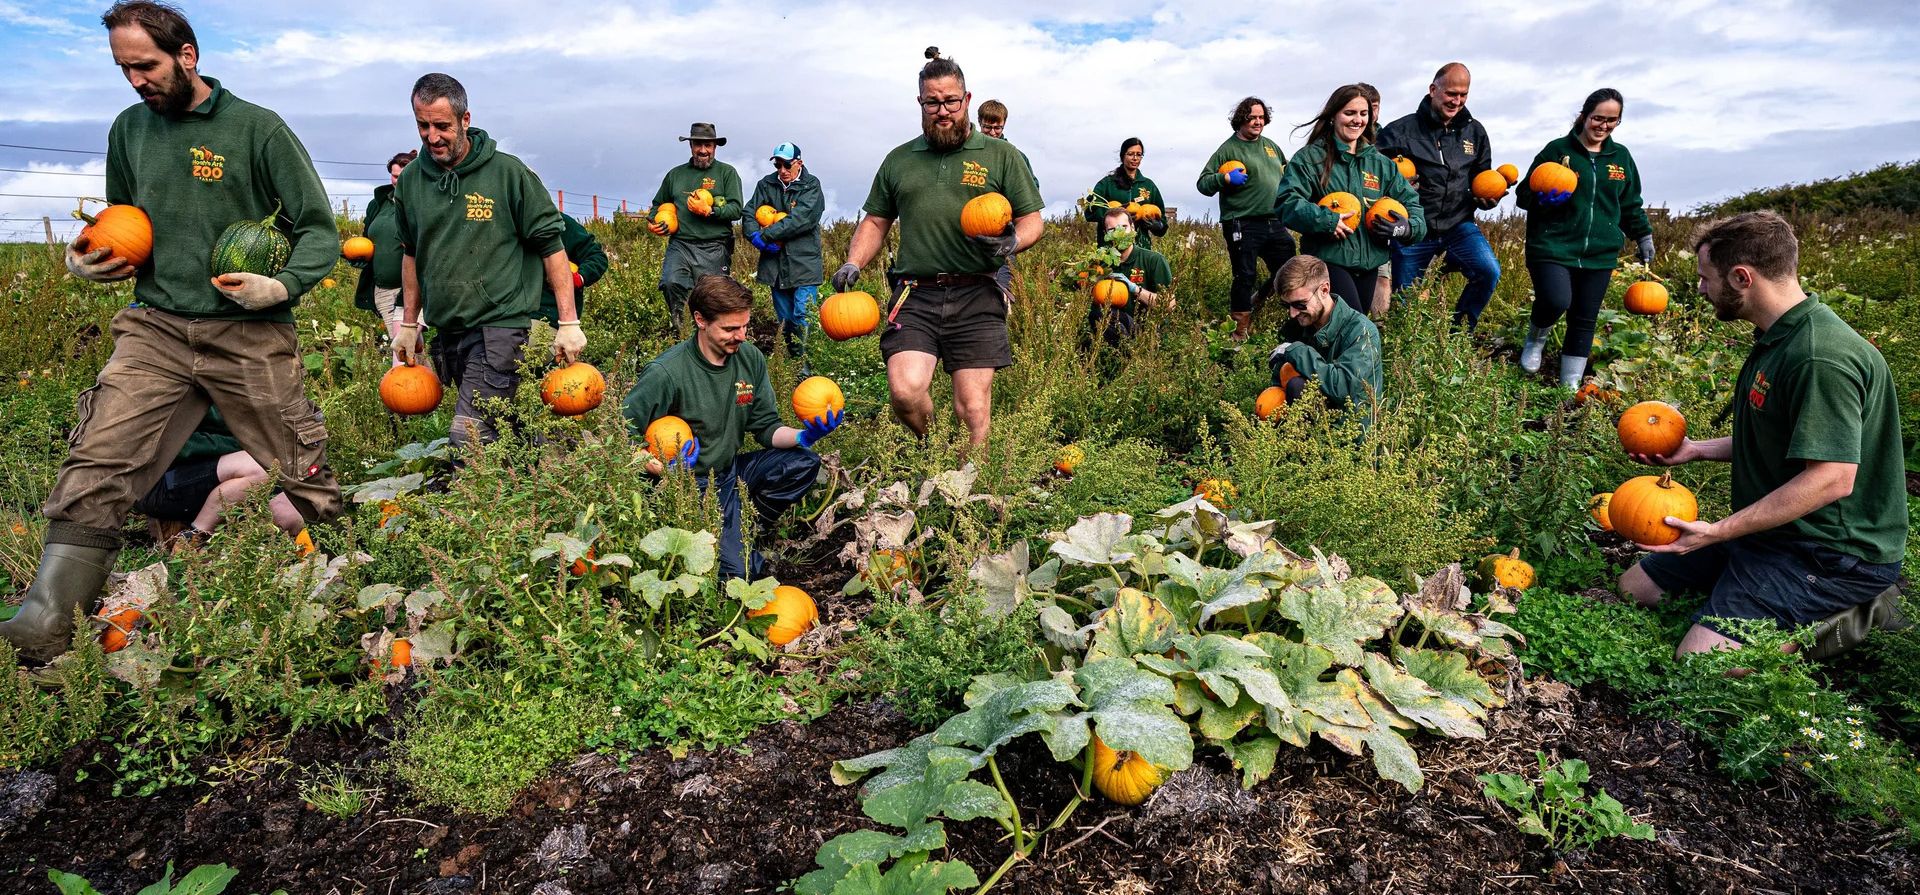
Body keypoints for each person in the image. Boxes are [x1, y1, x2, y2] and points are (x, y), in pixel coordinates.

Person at [3, 1, 343, 662]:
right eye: (124, 69)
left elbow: (317, 231)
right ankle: (45, 622)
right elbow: (125, 225)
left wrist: (280, 285)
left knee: (300, 458)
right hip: (155, 326)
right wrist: (90, 257)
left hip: (246, 330)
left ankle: (350, 577)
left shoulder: (257, 130)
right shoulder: (129, 131)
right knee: (100, 454)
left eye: (146, 66)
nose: (136, 81)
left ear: (187, 55)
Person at [1617, 212, 1907, 660]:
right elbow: (1782, 439)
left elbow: (1832, 477)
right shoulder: (1778, 335)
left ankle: (1864, 612)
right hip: (1774, 531)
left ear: (1741, 277)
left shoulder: (1819, 358)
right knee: (1634, 590)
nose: (1700, 289)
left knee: (1698, 663)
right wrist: (1694, 451)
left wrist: (1718, 532)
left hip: (1829, 553)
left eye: (1705, 278)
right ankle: (1746, 589)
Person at [830, 48, 1044, 449]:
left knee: (973, 408)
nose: (942, 110)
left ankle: (970, 490)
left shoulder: (1001, 156)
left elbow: (1033, 219)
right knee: (906, 392)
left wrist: (1014, 240)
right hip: (916, 293)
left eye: (950, 101)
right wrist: (852, 262)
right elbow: (876, 220)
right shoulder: (899, 160)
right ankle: (936, 450)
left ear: (966, 100)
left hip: (977, 290)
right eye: (933, 102)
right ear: (920, 103)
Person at [391, 73, 581, 451]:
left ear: (465, 120)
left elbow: (552, 248)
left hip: (501, 328)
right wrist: (410, 324)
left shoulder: (508, 174)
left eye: (442, 126)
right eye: (422, 125)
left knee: (469, 437)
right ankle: (540, 487)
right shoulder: (412, 180)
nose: (432, 136)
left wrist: (569, 322)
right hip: (449, 331)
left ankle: (472, 506)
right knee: (508, 432)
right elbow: (411, 253)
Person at [621, 276, 841, 579]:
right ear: (700, 320)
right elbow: (619, 438)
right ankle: (728, 537)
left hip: (729, 473)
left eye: (745, 326)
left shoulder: (749, 358)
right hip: (687, 485)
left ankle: (745, 526)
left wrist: (803, 435)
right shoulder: (666, 373)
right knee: (739, 576)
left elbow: (765, 427)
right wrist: (665, 471)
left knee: (803, 462)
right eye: (729, 329)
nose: (740, 335)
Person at [1515, 88, 1654, 388]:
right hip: (1553, 245)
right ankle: (1536, 338)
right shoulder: (1557, 150)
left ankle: (1568, 386)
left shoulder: (1621, 158)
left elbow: (1630, 203)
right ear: (1584, 116)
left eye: (1612, 120)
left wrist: (1643, 235)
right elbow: (1523, 194)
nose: (1603, 126)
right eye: (1598, 118)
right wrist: (1542, 199)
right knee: (1556, 299)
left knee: (1584, 317)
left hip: (1599, 253)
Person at [1276, 84, 1425, 315]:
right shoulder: (1311, 159)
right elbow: (1287, 202)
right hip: (1328, 261)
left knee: (1346, 330)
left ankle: (1294, 346)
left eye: (1363, 114)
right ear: (1333, 116)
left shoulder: (1381, 164)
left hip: (1369, 264)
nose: (1357, 120)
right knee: (1352, 326)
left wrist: (1406, 228)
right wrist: (1326, 220)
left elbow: (1413, 205)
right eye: (1350, 113)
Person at [1379, 63, 1503, 329]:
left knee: (1488, 271)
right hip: (1414, 228)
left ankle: (1459, 333)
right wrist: (1397, 188)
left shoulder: (1475, 132)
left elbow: (1483, 178)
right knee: (1405, 305)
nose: (1456, 101)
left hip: (1458, 224)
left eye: (1463, 94)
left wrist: (1488, 198)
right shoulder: (1400, 130)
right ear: (1433, 90)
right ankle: (1406, 351)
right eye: (1451, 93)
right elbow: (1372, 176)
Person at [1197, 96, 1295, 341]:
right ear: (1241, 119)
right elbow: (1203, 183)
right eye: (1252, 117)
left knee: (1288, 270)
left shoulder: (1271, 146)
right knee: (1245, 274)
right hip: (1242, 221)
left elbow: (1287, 170)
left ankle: (1260, 302)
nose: (1257, 122)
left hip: (1274, 220)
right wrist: (1225, 179)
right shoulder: (1228, 149)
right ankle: (1239, 331)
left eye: (1261, 117)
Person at [133, 407, 306, 545]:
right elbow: (177, 447)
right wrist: (253, 449)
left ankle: (231, 553)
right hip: (159, 480)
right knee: (260, 468)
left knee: (292, 514)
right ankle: (193, 539)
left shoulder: (247, 379)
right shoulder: (178, 381)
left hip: (219, 470)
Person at [650, 122, 746, 333]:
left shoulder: (726, 173)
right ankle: (683, 333)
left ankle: (709, 337)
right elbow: (658, 204)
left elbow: (737, 209)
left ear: (715, 147)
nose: (703, 150)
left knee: (711, 297)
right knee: (671, 282)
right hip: (681, 244)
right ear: (691, 145)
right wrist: (655, 222)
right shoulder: (675, 175)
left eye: (708, 145)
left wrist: (710, 211)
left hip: (714, 245)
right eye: (698, 145)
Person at [1266, 256, 1384, 427]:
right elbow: (1281, 381)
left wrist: (1297, 352)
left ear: (1324, 290)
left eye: (1300, 304)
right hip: (1309, 424)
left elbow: (1343, 387)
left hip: (1351, 432)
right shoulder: (1297, 326)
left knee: (1297, 386)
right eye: (1287, 306)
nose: (1292, 313)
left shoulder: (1362, 331)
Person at [743, 142, 824, 370]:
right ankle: (792, 364)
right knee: (786, 320)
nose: (782, 170)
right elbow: (749, 212)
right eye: (778, 164)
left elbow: (802, 219)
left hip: (804, 263)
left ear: (799, 162)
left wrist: (766, 235)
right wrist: (752, 235)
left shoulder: (811, 186)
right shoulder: (766, 184)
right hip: (774, 265)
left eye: (787, 165)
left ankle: (805, 368)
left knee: (803, 315)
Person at [350, 150, 418, 349]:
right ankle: (427, 380)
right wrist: (358, 256)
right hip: (384, 290)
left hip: (412, 290)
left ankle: (420, 380)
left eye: (403, 176)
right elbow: (366, 240)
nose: (398, 181)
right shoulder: (378, 205)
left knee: (406, 349)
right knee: (407, 351)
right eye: (395, 176)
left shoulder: (420, 203)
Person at [1084, 207, 1174, 345]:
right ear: (1105, 234)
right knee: (1097, 314)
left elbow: (1169, 305)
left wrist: (1134, 289)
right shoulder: (1100, 263)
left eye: (1123, 227)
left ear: (1133, 229)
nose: (1118, 233)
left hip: (1147, 332)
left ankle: (1129, 357)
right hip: (1108, 330)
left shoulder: (1154, 260)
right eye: (1112, 230)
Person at [1084, 138, 1168, 250]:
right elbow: (1090, 211)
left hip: (1140, 249)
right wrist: (1117, 212)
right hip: (1110, 247)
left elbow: (1162, 220)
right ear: (1123, 156)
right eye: (1130, 154)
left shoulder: (1148, 186)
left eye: (1139, 154)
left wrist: (1158, 226)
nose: (1135, 158)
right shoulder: (1107, 184)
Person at [1356, 83, 1393, 316]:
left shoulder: (1388, 137)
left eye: (1375, 107)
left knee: (1383, 277)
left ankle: (1378, 328)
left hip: (1383, 217)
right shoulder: (1347, 133)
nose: (1371, 113)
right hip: (1350, 216)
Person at [538, 212, 607, 327]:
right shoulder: (503, 221)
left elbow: (597, 257)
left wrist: (579, 278)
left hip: (547, 316)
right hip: (507, 316)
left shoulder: (557, 222)